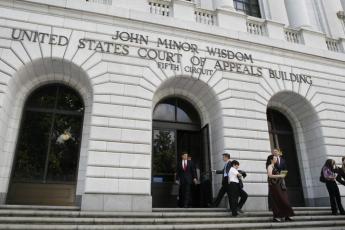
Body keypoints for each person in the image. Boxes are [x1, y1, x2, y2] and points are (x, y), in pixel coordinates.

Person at [266, 155, 294, 222]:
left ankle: (287, 215)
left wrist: (282, 175)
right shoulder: (270, 166)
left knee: (284, 200)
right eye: (275, 158)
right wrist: (280, 175)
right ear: (271, 160)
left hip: (279, 185)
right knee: (278, 200)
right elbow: (270, 175)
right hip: (274, 186)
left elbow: (277, 175)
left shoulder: (275, 166)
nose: (276, 159)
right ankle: (277, 217)